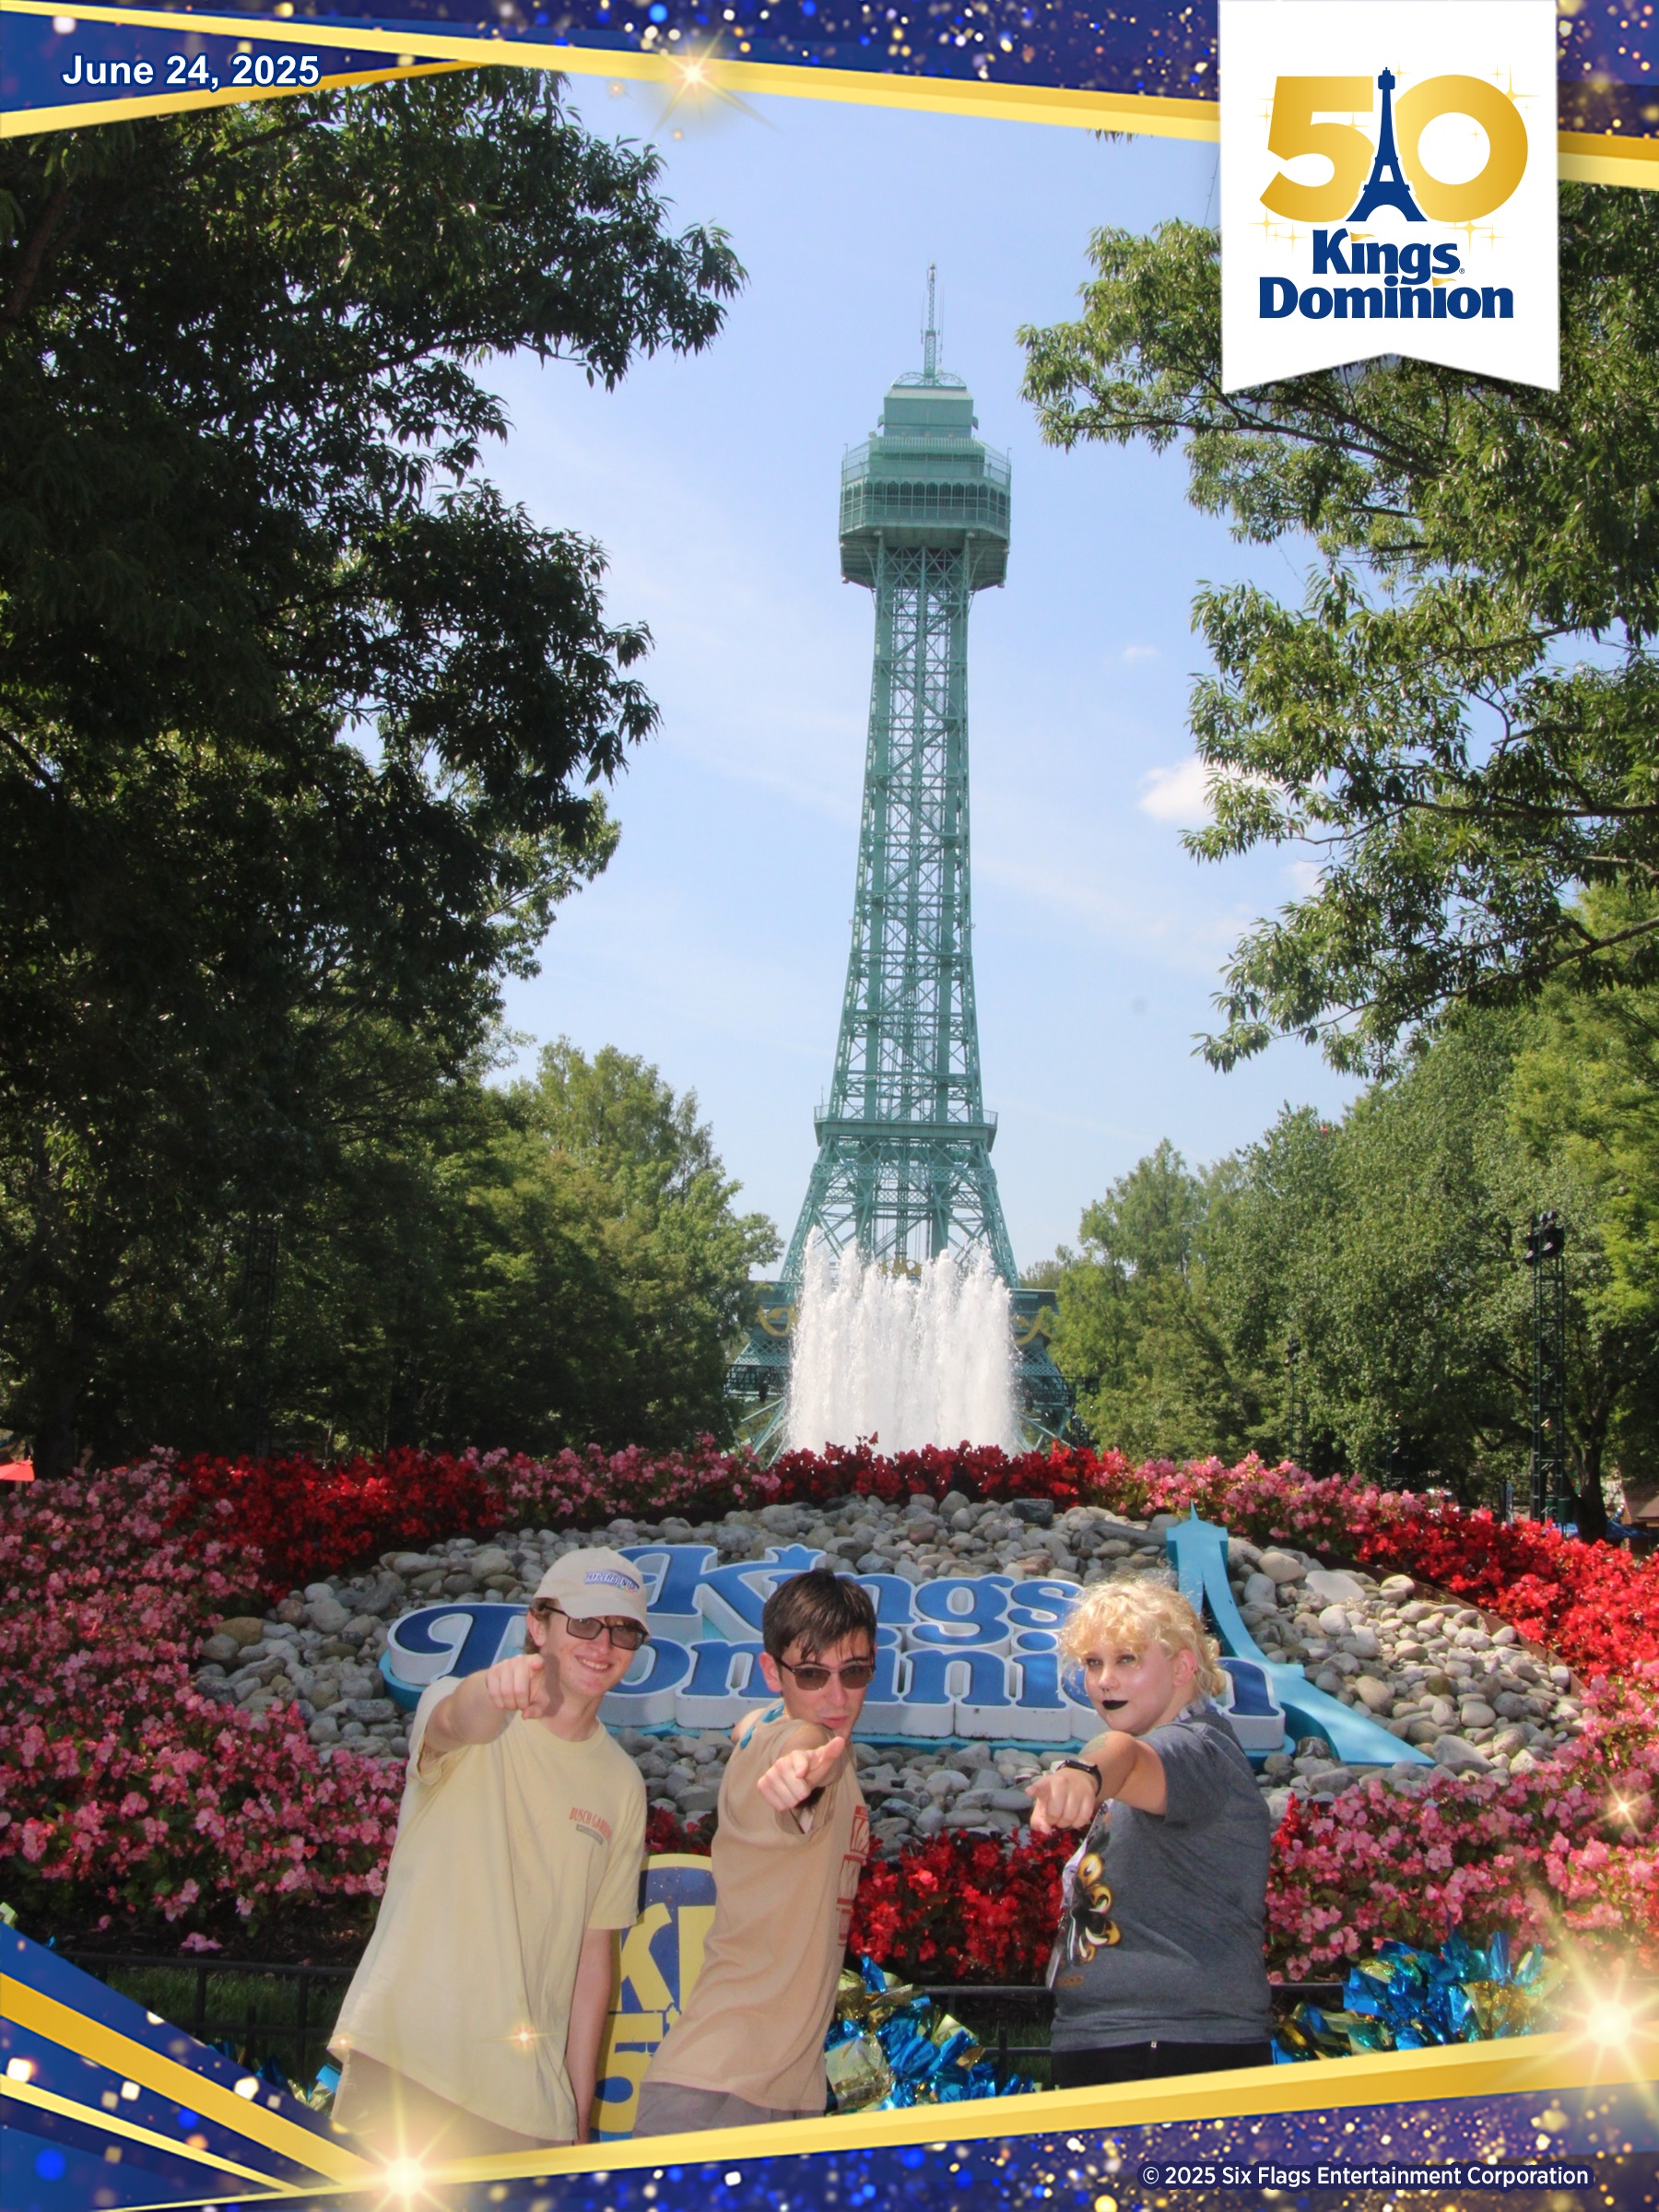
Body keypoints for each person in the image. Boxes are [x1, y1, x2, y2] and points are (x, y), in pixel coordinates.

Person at [329, 1548, 650, 2161]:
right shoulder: (460, 1703)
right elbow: (457, 1720)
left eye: (623, 1629)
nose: (602, 1644)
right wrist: (489, 1688)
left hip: (531, 2109)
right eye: (583, 1622)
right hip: (408, 2072)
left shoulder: (622, 1784)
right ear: (538, 1624)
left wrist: (578, 2117)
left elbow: (592, 1960)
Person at [632, 1568, 877, 2136]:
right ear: (773, 1671)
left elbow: (766, 1724)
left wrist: (766, 1726)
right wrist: (803, 1761)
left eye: (856, 1671)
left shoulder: (772, 1728)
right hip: (719, 2095)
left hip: (779, 2092)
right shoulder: (793, 1746)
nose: (836, 1697)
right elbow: (802, 1743)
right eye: (812, 1675)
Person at [1024, 1577, 1273, 2087]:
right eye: (1093, 1663)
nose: (1104, 1681)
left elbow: (1126, 1758)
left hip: (1174, 2052)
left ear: (1184, 1666)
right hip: (1123, 2045)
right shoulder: (1173, 1753)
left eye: (1127, 1660)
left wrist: (1084, 1773)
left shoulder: (1200, 1750)